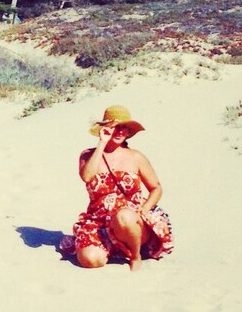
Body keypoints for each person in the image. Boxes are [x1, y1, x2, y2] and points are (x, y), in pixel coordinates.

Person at [59, 105, 173, 271]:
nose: (120, 132)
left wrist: (145, 208)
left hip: (131, 221)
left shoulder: (136, 157)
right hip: (99, 222)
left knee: (123, 216)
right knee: (90, 260)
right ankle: (114, 249)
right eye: (116, 127)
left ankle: (135, 256)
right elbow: (87, 177)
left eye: (125, 128)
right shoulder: (88, 155)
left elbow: (156, 188)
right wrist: (102, 144)